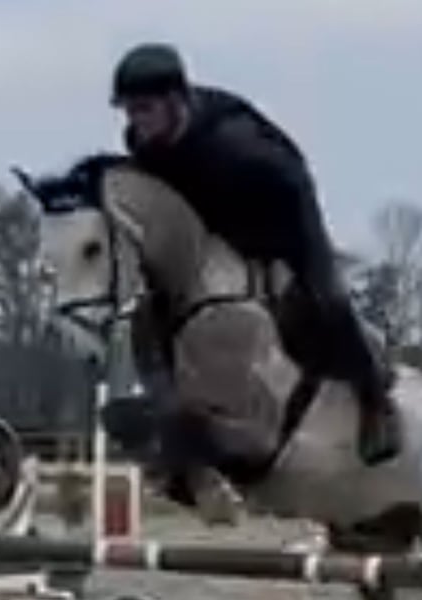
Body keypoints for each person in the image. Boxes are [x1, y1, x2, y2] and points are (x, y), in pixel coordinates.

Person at [109, 42, 401, 467]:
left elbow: (288, 187)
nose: (136, 121)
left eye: (144, 109)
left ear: (175, 103)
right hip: (214, 212)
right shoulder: (143, 142)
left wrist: (270, 254)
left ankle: (374, 399)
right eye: (129, 110)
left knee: (325, 300)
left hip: (283, 211)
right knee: (155, 306)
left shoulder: (238, 145)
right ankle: (163, 404)